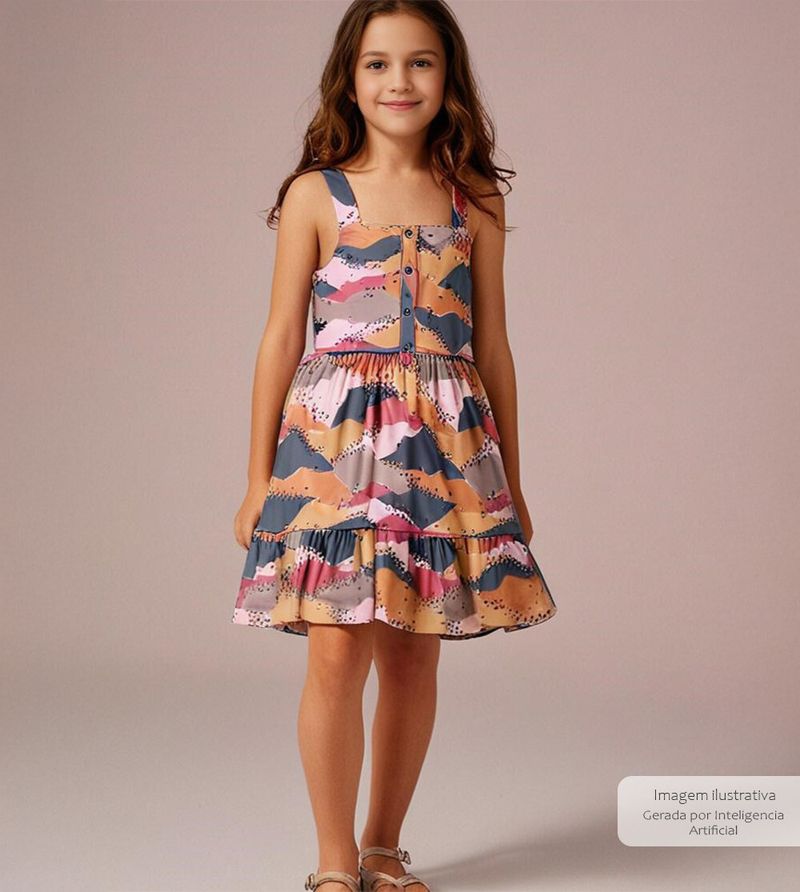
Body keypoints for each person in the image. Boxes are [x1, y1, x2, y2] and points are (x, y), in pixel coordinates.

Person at [231, 2, 557, 889]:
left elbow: (493, 347)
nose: (399, 81)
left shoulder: (474, 199)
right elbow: (280, 338)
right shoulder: (316, 195)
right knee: (336, 647)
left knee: (413, 650)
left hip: (444, 452)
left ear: (448, 78)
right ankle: (334, 862)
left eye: (420, 62)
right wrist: (257, 478)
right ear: (350, 78)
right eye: (378, 64)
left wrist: (512, 482)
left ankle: (382, 846)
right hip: (330, 450)